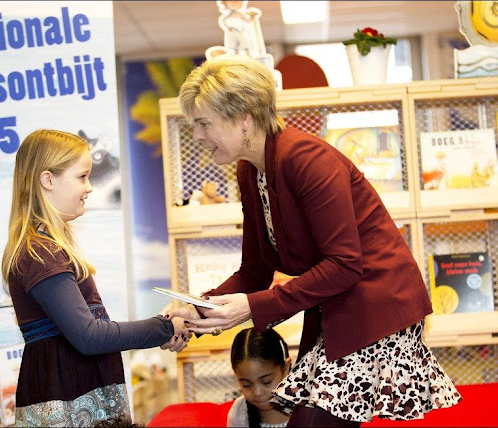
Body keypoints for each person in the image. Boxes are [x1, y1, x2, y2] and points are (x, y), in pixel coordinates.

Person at [168, 55, 461, 426]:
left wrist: (252, 308)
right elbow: (255, 270)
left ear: (244, 118)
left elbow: (345, 264)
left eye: (203, 124)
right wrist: (196, 309)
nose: (197, 136)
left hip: (376, 306)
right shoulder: (250, 170)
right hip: (336, 308)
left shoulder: (306, 158)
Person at [1, 129, 191, 426]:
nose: (89, 188)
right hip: (70, 403)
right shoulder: (40, 254)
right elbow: (89, 336)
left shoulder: (43, 248)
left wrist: (166, 327)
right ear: (48, 180)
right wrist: (164, 328)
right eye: (82, 177)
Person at [228, 327, 291, 428]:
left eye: (266, 382)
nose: (257, 392)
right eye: (246, 385)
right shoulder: (239, 413)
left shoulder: (308, 408)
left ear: (285, 369)